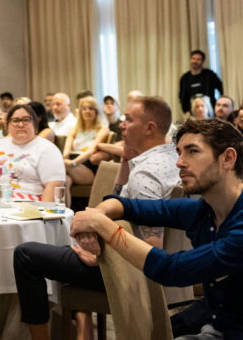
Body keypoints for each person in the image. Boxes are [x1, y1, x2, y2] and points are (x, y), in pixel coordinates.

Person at [13, 96, 179, 340]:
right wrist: (126, 160)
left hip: (126, 271)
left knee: (25, 254)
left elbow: (153, 250)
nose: (121, 124)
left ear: (150, 128)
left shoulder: (146, 177)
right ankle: (80, 327)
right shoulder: (169, 158)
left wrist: (102, 251)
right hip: (123, 257)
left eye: (129, 120)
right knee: (67, 246)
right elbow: (119, 202)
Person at [71, 117, 243, 339]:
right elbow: (127, 205)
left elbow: (172, 269)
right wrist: (99, 213)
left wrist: (103, 226)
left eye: (192, 151)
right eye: (179, 152)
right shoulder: (203, 210)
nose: (179, 162)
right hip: (218, 326)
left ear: (227, 158)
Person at [0, 104, 65, 201]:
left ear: (35, 124)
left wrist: (44, 213)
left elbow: (54, 185)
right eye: (15, 120)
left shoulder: (47, 149)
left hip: (28, 205)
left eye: (26, 120)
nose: (20, 124)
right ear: (8, 125)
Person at [63, 96, 110, 192]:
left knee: (57, 170)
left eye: (91, 108)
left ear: (96, 111)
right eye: (84, 108)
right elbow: (66, 151)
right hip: (70, 164)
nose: (87, 111)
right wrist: (65, 160)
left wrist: (73, 163)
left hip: (88, 166)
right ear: (80, 112)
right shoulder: (73, 130)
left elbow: (91, 151)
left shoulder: (102, 129)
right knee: (65, 181)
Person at [178, 49, 224, 117]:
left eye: (198, 59)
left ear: (202, 61)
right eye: (193, 59)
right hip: (192, 111)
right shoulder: (184, 78)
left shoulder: (209, 75)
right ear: (190, 60)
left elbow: (221, 88)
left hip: (209, 110)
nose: (195, 61)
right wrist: (186, 111)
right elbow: (182, 96)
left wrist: (219, 104)